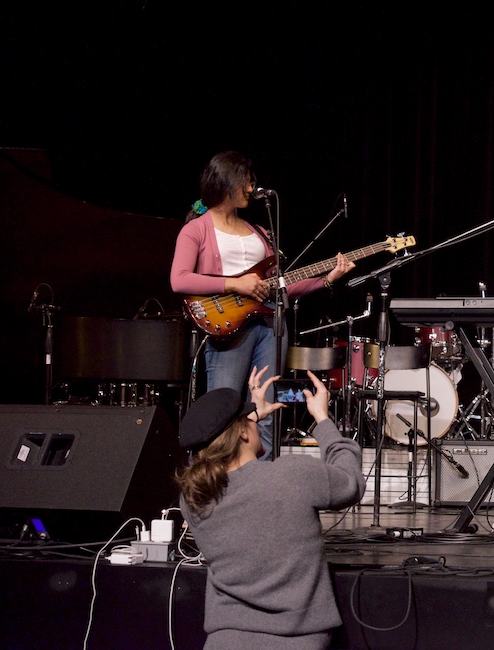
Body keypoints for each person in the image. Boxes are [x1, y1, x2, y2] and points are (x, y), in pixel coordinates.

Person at [171, 151, 355, 459]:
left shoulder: (259, 231)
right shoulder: (197, 228)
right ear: (226, 182)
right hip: (228, 328)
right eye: (246, 180)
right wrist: (233, 283)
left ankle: (264, 486)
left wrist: (327, 279)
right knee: (223, 414)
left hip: (269, 326)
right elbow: (179, 280)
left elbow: (281, 284)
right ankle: (218, 493)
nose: (251, 187)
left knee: (266, 411)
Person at [175, 366, 365, 649]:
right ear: (241, 432)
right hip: (295, 642)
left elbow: (228, 466)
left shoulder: (194, 497)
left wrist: (246, 421)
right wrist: (323, 420)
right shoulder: (291, 475)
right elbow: (350, 482)